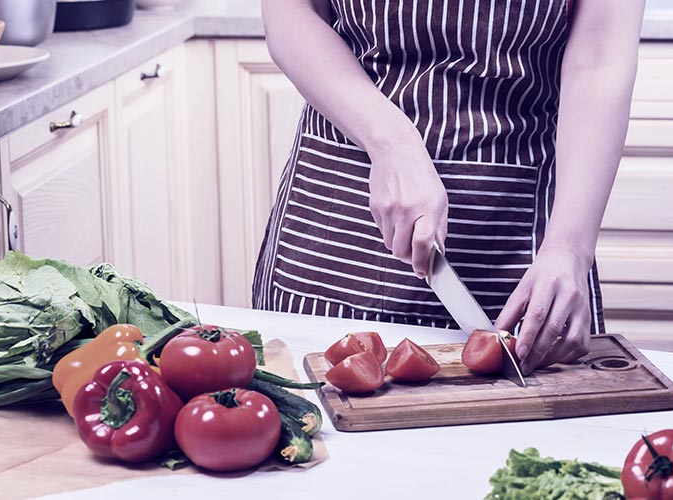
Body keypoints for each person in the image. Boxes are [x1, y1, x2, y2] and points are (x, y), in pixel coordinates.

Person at [254, 0, 646, 376]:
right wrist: (391, 142)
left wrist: (569, 248)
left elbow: (600, 60)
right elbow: (292, 14)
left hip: (514, 241)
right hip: (338, 230)